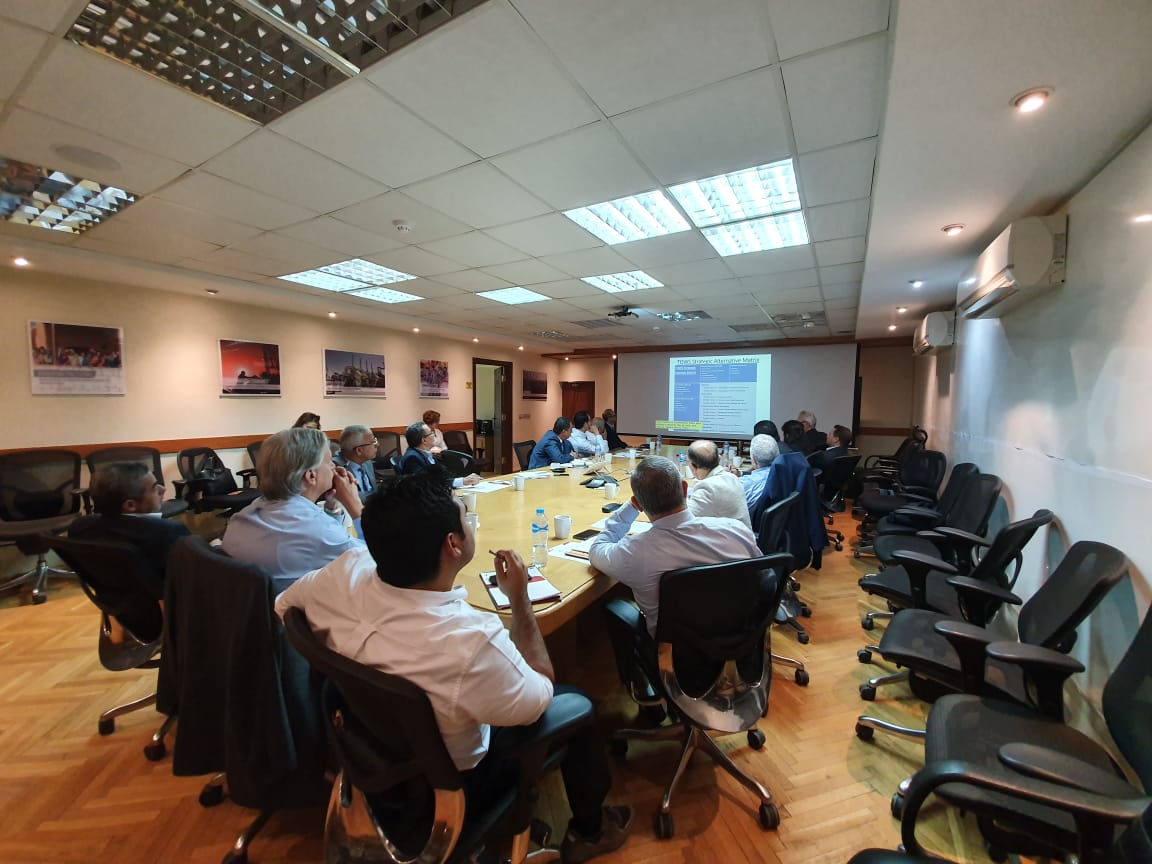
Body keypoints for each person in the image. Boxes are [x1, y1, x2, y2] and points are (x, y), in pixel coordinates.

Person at [275, 471, 632, 862]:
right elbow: (540, 694)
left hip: (367, 750)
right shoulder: (471, 639)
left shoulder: (345, 569)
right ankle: (591, 830)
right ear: (453, 544)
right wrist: (520, 600)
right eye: (465, 515)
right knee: (579, 704)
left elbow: (284, 607)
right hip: (453, 787)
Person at [592, 457, 760, 700]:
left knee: (617, 608)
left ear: (639, 503)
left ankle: (644, 692)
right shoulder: (735, 530)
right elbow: (761, 578)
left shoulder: (636, 552)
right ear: (684, 488)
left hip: (679, 657)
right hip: (741, 639)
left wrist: (629, 509)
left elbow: (597, 550)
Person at [222, 428, 364, 589]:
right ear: (311, 476)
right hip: (298, 603)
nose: (334, 467)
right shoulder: (314, 528)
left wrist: (333, 506)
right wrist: (354, 504)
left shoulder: (247, 513)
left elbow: (322, 540)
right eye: (329, 461)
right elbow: (376, 559)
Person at [69, 462, 189, 600]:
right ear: (130, 505)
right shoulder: (169, 532)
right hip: (165, 607)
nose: (163, 489)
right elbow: (190, 579)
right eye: (155, 488)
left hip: (113, 604)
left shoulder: (80, 527)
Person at [685, 440, 752, 529]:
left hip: (729, 537)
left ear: (692, 466)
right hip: (741, 535)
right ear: (719, 459)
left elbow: (683, 517)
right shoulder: (732, 478)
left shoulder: (708, 488)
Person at [398, 421, 481, 487]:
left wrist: (463, 480)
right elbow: (429, 484)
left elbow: (440, 478)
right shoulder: (412, 458)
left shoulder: (426, 453)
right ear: (424, 440)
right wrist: (462, 481)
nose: (434, 434)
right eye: (431, 433)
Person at [739, 434, 780, 522]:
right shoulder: (785, 476)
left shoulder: (744, 485)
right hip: (776, 525)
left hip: (747, 527)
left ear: (754, 460)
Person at [336, 424, 379, 501]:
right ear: (359, 450)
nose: (377, 445)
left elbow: (374, 491)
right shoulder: (337, 470)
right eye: (373, 442)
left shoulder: (367, 461)